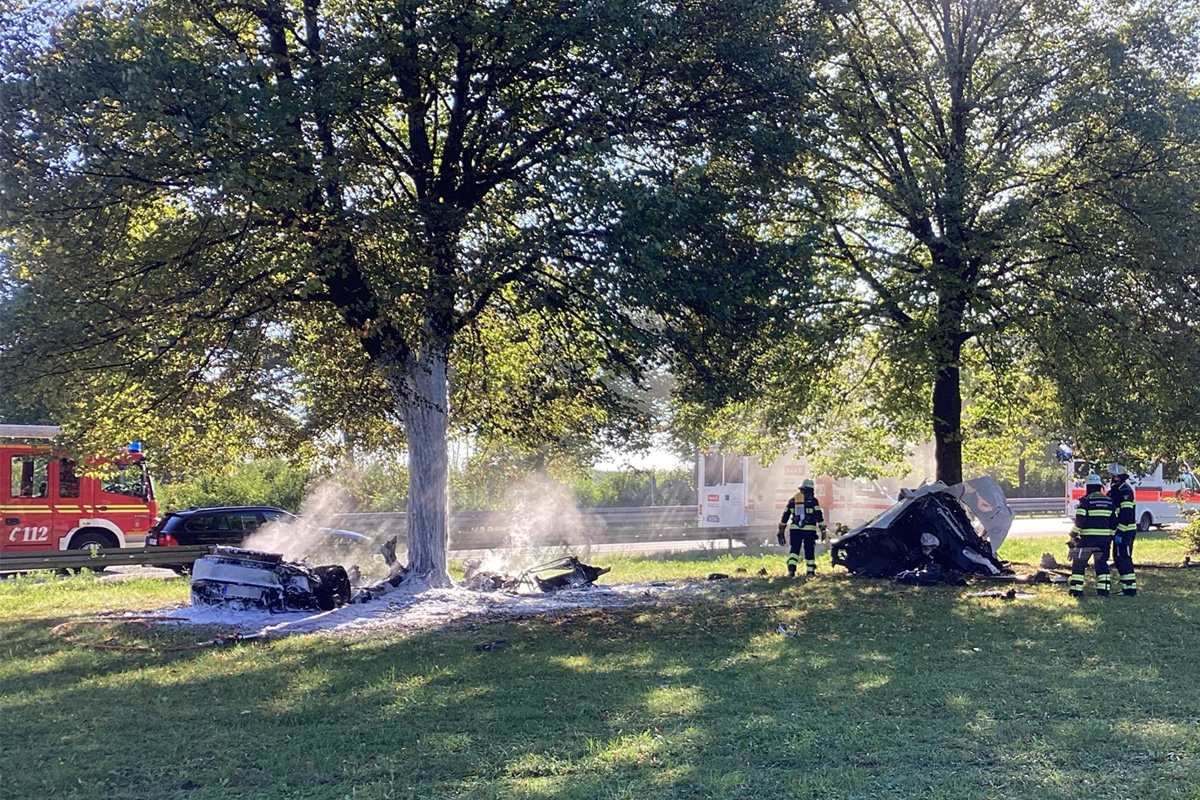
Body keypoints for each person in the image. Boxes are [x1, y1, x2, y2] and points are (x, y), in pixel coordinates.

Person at [1068, 473, 1115, 597]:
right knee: (1102, 564)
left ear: (1088, 487)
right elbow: (1114, 522)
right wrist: (1110, 537)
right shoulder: (1109, 501)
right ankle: (1103, 591)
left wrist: (1073, 535)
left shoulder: (1085, 501)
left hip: (1087, 540)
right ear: (1099, 487)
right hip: (1104, 541)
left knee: (1079, 563)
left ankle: (1076, 590)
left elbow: (1080, 520)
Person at [777, 478, 827, 577]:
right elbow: (819, 516)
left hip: (795, 530)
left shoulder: (793, 500)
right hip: (809, 531)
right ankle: (810, 571)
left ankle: (791, 571)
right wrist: (823, 530)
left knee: (794, 549)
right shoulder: (813, 501)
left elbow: (785, 515)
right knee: (809, 549)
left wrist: (781, 530)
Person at [1108, 466, 1138, 596]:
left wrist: (1120, 532)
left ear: (1119, 477)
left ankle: (1130, 589)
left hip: (1125, 532)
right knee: (1119, 558)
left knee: (1124, 558)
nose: (1111, 478)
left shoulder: (1125, 491)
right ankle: (1126, 587)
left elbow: (1126, 514)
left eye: (1113, 476)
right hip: (1120, 531)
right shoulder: (1116, 490)